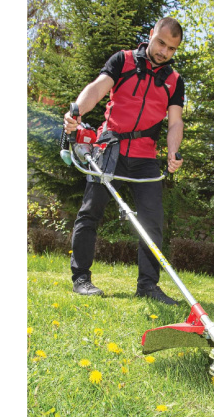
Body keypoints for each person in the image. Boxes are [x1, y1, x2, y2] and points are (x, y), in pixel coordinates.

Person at [63, 17, 184, 305]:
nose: (164, 52)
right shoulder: (123, 60)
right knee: (90, 212)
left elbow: (175, 122)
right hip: (110, 148)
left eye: (171, 48)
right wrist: (77, 111)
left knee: (152, 221)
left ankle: (148, 286)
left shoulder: (174, 81)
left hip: (145, 157)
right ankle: (81, 278)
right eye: (161, 43)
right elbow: (97, 88)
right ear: (151, 34)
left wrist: (173, 152)